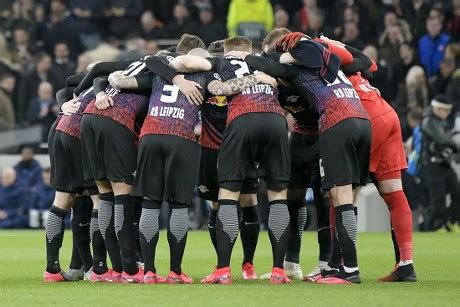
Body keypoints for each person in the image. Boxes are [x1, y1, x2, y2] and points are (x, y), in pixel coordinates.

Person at [243, 33, 371, 284]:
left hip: (336, 121)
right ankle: (335, 266)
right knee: (346, 197)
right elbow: (366, 65)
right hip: (362, 120)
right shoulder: (327, 63)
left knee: (339, 198)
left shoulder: (296, 68)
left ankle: (350, 269)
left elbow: (266, 64)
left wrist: (258, 56)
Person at [171, 36, 290, 285]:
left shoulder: (218, 62)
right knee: (278, 194)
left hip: (241, 124)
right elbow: (289, 69)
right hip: (276, 121)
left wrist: (180, 77)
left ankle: (224, 269)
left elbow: (186, 65)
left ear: (226, 51)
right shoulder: (264, 61)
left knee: (228, 196)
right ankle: (279, 270)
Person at [317, 37, 417, 282]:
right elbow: (369, 64)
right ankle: (406, 264)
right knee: (394, 192)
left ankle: (341, 265)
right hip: (387, 113)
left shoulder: (317, 58)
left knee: (341, 191)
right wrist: (338, 43)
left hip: (363, 117)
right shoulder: (346, 61)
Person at [256, 28, 331, 282]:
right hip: (300, 136)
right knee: (292, 198)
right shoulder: (275, 79)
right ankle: (291, 263)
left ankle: (326, 263)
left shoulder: (304, 67)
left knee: (324, 199)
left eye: (270, 52)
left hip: (324, 134)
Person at [421, 95, 460, 231]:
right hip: (433, 166)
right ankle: (431, 227)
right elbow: (442, 139)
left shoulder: (441, 122)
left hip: (444, 164)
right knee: (438, 200)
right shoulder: (428, 121)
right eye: (445, 110)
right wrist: (457, 146)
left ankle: (451, 222)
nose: (448, 113)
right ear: (437, 108)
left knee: (457, 193)